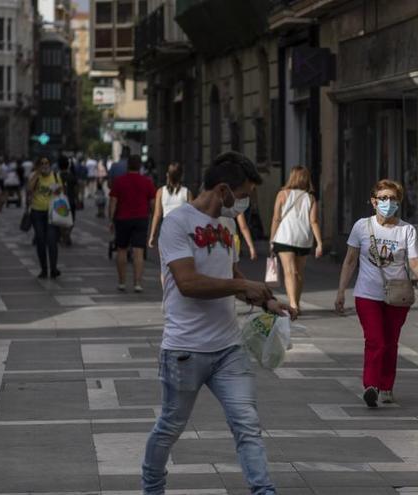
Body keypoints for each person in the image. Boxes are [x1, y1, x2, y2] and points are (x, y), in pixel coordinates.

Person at [141, 151, 291, 495]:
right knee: (170, 425)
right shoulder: (177, 223)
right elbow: (188, 283)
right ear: (223, 190)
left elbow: (231, 273)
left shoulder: (225, 226)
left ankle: (263, 490)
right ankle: (151, 486)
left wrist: (267, 301)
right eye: (243, 196)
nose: (245, 203)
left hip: (228, 349)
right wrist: (241, 285)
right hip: (185, 350)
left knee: (247, 423)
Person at [335, 179, 418, 408]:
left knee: (391, 342)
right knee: (375, 340)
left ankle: (387, 386)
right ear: (373, 201)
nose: (388, 203)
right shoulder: (361, 226)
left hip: (397, 295)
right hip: (366, 294)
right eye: (383, 198)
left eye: (393, 199)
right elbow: (350, 261)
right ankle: (371, 386)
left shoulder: (406, 230)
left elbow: (415, 261)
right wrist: (341, 291)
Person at [270, 166, 324, 314]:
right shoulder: (311, 197)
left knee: (290, 272)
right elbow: (314, 221)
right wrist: (319, 243)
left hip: (285, 237)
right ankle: (297, 304)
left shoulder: (282, 194)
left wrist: (271, 239)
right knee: (299, 273)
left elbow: (276, 218)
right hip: (304, 239)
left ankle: (293, 304)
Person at [109, 155, 156, 292]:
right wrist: (155, 219)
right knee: (138, 251)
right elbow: (153, 203)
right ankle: (137, 284)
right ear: (140, 166)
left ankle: (122, 282)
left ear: (128, 165)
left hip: (122, 218)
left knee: (121, 250)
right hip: (141, 218)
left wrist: (111, 219)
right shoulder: (147, 182)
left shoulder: (119, 181)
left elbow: (113, 202)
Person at [26, 157, 63, 279]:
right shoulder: (34, 176)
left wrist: (57, 190)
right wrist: (37, 174)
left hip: (52, 213)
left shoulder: (56, 176)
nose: (44, 165)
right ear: (38, 165)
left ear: (50, 164)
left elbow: (61, 192)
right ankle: (43, 269)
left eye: (46, 163)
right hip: (37, 213)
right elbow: (29, 190)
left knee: (52, 241)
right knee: (40, 241)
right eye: (41, 163)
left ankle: (53, 269)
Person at [147, 162, 192, 249]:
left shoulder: (160, 191)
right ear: (181, 176)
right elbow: (192, 215)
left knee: (166, 258)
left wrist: (152, 235)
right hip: (182, 230)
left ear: (168, 175)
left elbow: (157, 215)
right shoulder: (187, 192)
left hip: (167, 229)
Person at [57, 156, 79, 246]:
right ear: (68, 165)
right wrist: (77, 198)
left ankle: (64, 236)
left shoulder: (56, 176)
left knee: (60, 220)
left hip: (60, 201)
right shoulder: (72, 176)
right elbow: (76, 188)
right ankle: (67, 234)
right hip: (71, 200)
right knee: (71, 220)